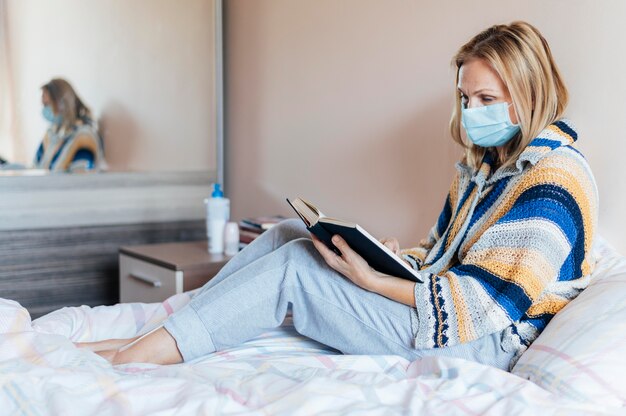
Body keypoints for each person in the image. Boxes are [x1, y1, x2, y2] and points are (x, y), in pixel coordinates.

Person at [79, 21, 598, 371]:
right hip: (452, 313)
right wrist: (397, 258)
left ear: (529, 95)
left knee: (297, 272)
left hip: (485, 343)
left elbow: (485, 305)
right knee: (290, 236)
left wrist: (371, 278)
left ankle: (130, 359)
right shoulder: (482, 168)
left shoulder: (553, 179)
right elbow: (442, 255)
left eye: (487, 99)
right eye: (466, 98)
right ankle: (173, 330)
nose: (471, 111)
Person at [34, 78, 105, 172]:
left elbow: (78, 179)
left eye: (47, 105)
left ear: (62, 103)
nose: (45, 110)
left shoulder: (84, 137)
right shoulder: (52, 133)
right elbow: (36, 167)